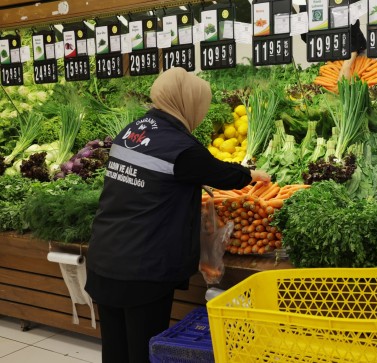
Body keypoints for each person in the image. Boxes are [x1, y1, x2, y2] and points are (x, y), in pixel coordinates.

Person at [85, 67, 270, 363]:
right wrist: (252, 174)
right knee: (144, 351)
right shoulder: (181, 147)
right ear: (187, 103)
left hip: (105, 256)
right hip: (141, 269)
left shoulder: (133, 129)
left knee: (116, 350)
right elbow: (219, 174)